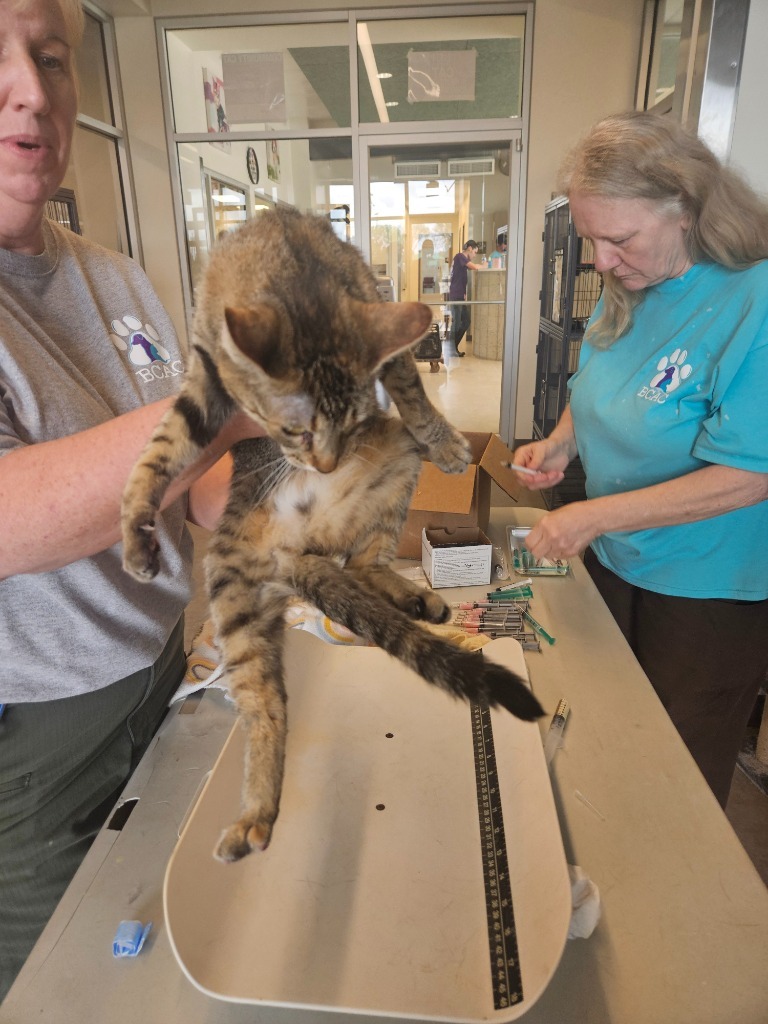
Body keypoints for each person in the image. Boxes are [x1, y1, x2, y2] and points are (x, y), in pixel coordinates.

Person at [0, 0, 263, 1001]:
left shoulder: (114, 279)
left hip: (161, 671)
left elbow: (193, 482)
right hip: (37, 740)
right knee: (62, 986)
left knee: (162, 937)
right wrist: (227, 401)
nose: (33, 88)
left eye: (54, 58)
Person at [513, 111, 768, 809]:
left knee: (674, 774)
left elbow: (750, 474)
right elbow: (602, 379)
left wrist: (591, 515)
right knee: (608, 728)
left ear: (683, 208)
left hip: (705, 590)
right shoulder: (633, 278)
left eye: (618, 238)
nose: (601, 260)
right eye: (591, 238)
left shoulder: (755, 300)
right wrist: (563, 442)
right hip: (620, 556)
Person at [447, 239, 483, 356]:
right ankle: (451, 349)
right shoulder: (460, 256)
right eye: (475, 252)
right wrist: (484, 265)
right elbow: (473, 267)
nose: (474, 255)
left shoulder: (461, 259)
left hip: (459, 295)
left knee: (466, 321)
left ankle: (452, 347)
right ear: (470, 249)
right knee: (457, 323)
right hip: (455, 295)